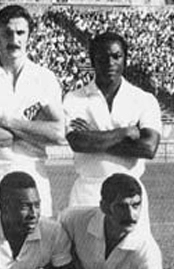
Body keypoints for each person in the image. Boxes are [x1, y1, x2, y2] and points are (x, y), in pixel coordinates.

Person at [0, 5, 64, 219]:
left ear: (29, 35)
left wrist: (7, 122)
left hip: (33, 171)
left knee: (35, 246)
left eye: (20, 32)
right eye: (7, 33)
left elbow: (57, 134)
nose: (14, 39)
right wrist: (35, 131)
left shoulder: (44, 78)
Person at [63, 32, 161, 228]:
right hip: (88, 191)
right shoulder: (74, 98)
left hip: (130, 192)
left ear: (125, 59)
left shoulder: (143, 99)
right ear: (93, 60)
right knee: (84, 255)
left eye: (116, 56)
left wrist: (94, 138)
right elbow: (78, 143)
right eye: (103, 57)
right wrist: (124, 133)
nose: (110, 62)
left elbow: (148, 148)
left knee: (130, 254)